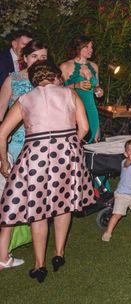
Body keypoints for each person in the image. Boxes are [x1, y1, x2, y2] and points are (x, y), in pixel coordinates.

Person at [0, 60, 95, 282]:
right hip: (67, 155)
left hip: (35, 156)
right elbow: (85, 128)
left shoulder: (26, 98)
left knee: (38, 209)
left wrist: (4, 161)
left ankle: (39, 265)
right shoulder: (70, 95)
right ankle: (59, 253)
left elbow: (2, 132)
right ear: (56, 75)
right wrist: (69, 143)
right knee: (64, 204)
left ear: (34, 79)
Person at [0, 39, 49, 161]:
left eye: (43, 57)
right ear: (26, 58)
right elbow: (0, 111)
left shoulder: (53, 81)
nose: (38, 60)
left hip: (44, 141)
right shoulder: (12, 80)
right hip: (16, 141)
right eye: (34, 56)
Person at [60, 36, 103, 143]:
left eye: (91, 47)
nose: (91, 50)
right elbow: (57, 91)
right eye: (87, 47)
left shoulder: (94, 66)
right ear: (78, 48)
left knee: (93, 141)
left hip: (91, 108)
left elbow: (96, 86)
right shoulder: (65, 66)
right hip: (73, 109)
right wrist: (76, 85)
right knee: (76, 142)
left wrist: (98, 90)